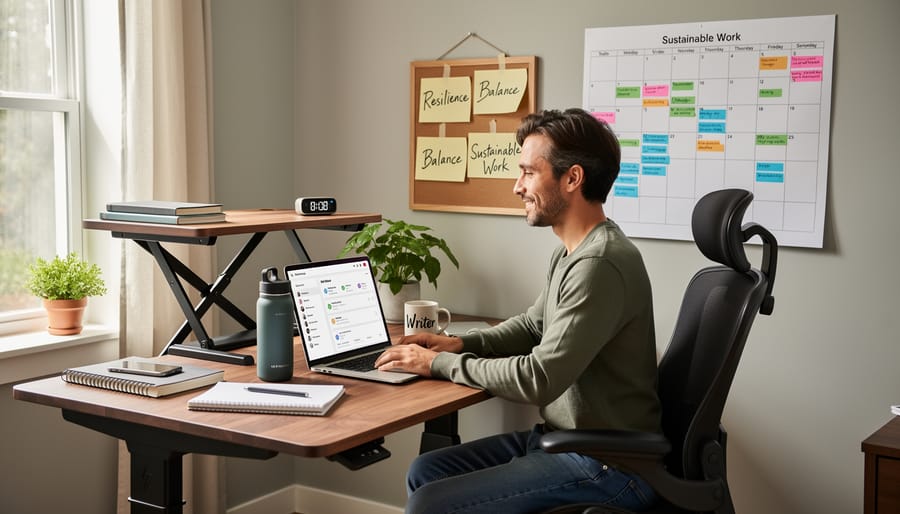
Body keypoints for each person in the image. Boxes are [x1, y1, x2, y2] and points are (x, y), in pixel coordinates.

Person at [374, 108, 662, 513]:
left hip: (608, 465)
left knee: (430, 504)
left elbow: (539, 378)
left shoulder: (599, 263)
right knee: (427, 472)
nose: (516, 187)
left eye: (529, 172)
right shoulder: (574, 253)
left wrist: (438, 363)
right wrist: (457, 343)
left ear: (572, 178)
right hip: (566, 442)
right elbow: (532, 326)